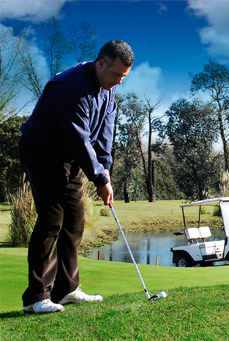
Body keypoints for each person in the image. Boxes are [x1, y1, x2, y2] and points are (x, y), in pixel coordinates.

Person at [19, 40, 134, 314]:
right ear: (101, 63)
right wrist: (100, 180)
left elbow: (106, 130)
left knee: (75, 219)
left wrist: (105, 166)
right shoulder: (73, 87)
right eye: (116, 74)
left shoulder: (108, 89)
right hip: (42, 151)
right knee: (52, 218)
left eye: (124, 77)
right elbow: (79, 140)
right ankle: (36, 297)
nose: (118, 82)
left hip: (67, 156)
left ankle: (66, 290)